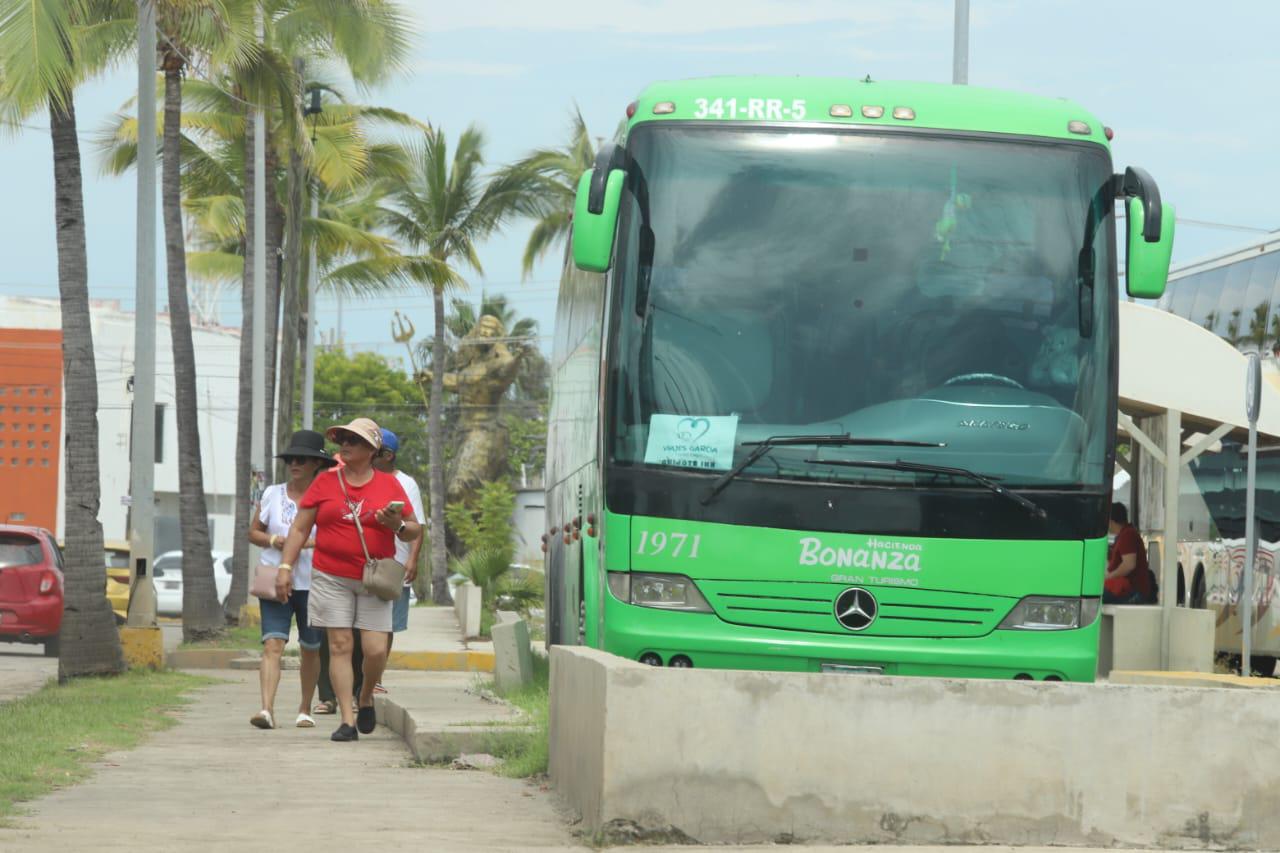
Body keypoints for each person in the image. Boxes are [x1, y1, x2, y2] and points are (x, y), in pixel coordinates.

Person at [278, 417, 422, 742]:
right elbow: (300, 528)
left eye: (354, 440)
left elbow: (414, 529)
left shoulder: (389, 485)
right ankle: (347, 720)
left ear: (372, 450)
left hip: (374, 576)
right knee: (340, 645)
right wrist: (286, 567)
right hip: (331, 574)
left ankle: (366, 695)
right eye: (342, 438)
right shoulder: (325, 482)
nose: (345, 444)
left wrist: (396, 524)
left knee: (374, 650)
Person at [246, 429, 334, 730]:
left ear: (316, 464)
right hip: (273, 577)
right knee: (272, 644)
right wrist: (274, 539)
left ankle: (305, 707)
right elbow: (253, 531)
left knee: (310, 646)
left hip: (314, 581)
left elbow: (335, 538)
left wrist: (303, 544)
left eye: (302, 459)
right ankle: (266, 709)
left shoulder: (327, 498)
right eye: (290, 459)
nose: (294, 464)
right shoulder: (271, 493)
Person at [371, 427, 425, 693]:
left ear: (388, 455)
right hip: (365, 561)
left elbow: (418, 526)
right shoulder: (360, 478)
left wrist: (412, 560)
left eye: (373, 450)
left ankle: (376, 678)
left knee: (387, 625)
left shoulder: (406, 483)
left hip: (395, 564)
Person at [1105, 503, 1155, 604]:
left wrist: (1109, 577)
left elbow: (1129, 565)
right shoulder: (1124, 535)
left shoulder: (1128, 535)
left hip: (1132, 592)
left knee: (1093, 595)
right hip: (1125, 589)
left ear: (1111, 521)